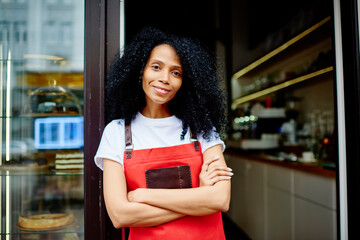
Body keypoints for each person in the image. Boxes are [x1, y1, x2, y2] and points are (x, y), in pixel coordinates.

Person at [94, 27, 232, 240]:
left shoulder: (203, 129)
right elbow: (120, 215)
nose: (165, 78)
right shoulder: (117, 132)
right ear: (140, 71)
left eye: (176, 72)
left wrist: (142, 196)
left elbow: (220, 200)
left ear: (185, 82)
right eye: (156, 67)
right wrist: (199, 199)